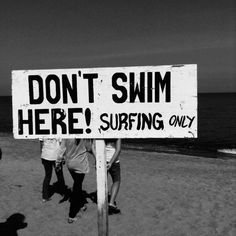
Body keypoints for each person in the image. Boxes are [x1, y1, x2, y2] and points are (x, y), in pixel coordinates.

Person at [57, 138, 94, 223]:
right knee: (76, 189)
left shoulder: (67, 134)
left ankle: (81, 204)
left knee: (78, 185)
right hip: (80, 165)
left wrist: (58, 161)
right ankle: (71, 215)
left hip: (70, 164)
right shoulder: (83, 136)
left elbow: (62, 148)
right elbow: (89, 149)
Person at [40, 138, 66, 202]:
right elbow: (61, 145)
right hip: (56, 157)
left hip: (45, 156)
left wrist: (42, 154)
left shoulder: (42, 131)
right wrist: (63, 157)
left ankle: (45, 197)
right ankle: (63, 192)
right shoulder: (58, 130)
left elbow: (41, 144)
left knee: (47, 176)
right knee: (59, 175)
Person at [104, 139, 122, 215]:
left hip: (102, 160)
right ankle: (111, 203)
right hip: (114, 161)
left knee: (103, 181)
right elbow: (118, 150)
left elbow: (94, 147)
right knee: (116, 180)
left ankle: (103, 202)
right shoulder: (116, 132)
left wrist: (96, 159)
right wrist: (111, 162)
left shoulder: (101, 132)